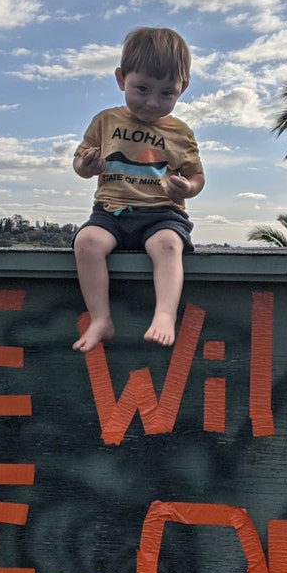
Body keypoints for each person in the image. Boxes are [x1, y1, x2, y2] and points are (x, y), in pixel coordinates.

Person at [70, 26, 204, 352]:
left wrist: (185, 188)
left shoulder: (180, 133)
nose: (152, 102)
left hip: (161, 214)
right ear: (121, 79)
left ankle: (164, 314)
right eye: (141, 89)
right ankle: (100, 318)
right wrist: (86, 166)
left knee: (169, 246)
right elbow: (79, 164)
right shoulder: (105, 122)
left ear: (182, 88)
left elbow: (197, 178)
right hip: (111, 212)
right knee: (86, 242)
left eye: (166, 93)